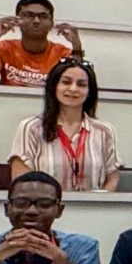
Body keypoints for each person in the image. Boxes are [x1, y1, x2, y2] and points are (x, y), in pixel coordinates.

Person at [7, 57, 121, 192]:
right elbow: (21, 181)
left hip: (92, 210)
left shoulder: (104, 131)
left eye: (82, 84)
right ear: (54, 87)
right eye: (66, 82)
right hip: (45, 209)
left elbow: (113, 178)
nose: (73, 89)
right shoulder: (30, 128)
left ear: (90, 92)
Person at [0, 0, 82, 87]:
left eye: (43, 16)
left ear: (51, 24)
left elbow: (78, 87)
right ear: (17, 21)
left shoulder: (62, 53)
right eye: (29, 15)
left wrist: (77, 48)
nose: (36, 21)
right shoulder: (5, 47)